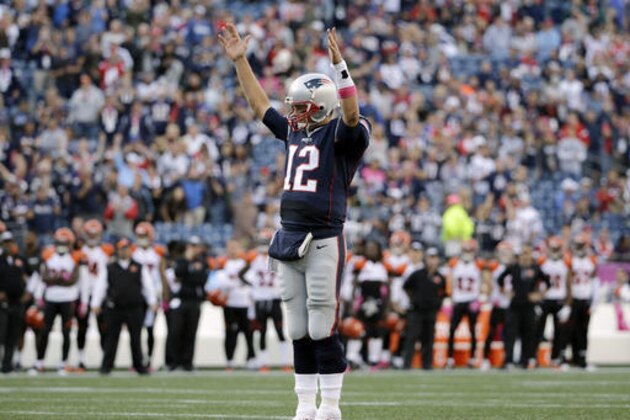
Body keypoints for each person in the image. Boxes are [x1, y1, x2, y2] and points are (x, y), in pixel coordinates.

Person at [219, 23, 369, 420]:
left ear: (321, 105)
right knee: (298, 328)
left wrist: (341, 69)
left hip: (324, 237)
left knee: (322, 324)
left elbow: (352, 114)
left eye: (301, 106)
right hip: (289, 236)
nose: (294, 113)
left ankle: (331, 406)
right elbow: (259, 107)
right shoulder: (293, 132)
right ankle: (304, 406)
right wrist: (240, 63)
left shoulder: (342, 134)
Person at [91, 238, 157, 375]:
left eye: (126, 248)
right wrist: (96, 303)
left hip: (134, 307)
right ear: (118, 250)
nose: (124, 251)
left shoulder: (139, 266)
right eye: (122, 248)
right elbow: (101, 286)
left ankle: (139, 365)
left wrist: (152, 301)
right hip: (114, 307)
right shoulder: (110, 267)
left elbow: (147, 285)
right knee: (111, 338)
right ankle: (106, 366)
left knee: (136, 338)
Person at [32, 228, 82, 375]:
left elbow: (73, 280)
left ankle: (63, 363)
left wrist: (54, 280)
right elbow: (44, 277)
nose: (61, 245)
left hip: (68, 299)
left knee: (66, 333)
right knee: (45, 331)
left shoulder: (75, 258)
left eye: (64, 242)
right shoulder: (49, 256)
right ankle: (39, 362)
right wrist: (60, 279)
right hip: (51, 299)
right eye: (59, 242)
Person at [244, 231, 290, 371]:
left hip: (271, 298)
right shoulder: (262, 258)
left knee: (278, 331)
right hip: (264, 299)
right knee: (263, 331)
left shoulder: (266, 258)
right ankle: (265, 362)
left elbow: (242, 275)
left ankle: (283, 362)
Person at [497, 244, 550, 369]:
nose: (525, 256)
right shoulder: (514, 267)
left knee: (529, 334)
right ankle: (508, 360)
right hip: (515, 305)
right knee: (511, 334)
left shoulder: (536, 268)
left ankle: (526, 359)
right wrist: (505, 292)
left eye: (527, 253)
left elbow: (548, 282)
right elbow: (500, 279)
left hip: (529, 306)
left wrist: (539, 295)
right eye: (523, 253)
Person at [166, 236, 208, 371]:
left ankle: (187, 362)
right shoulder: (180, 260)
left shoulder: (202, 261)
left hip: (195, 301)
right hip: (180, 300)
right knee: (175, 332)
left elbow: (201, 279)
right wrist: (188, 262)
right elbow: (179, 273)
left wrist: (189, 276)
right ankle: (172, 362)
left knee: (191, 333)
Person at [213, 240, 256, 370]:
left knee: (248, 333)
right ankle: (229, 359)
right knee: (230, 333)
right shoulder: (223, 263)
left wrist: (233, 283)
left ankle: (250, 358)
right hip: (230, 304)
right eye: (230, 248)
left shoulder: (245, 264)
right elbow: (221, 282)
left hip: (245, 303)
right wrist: (237, 283)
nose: (233, 250)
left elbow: (251, 281)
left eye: (235, 248)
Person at [402, 247, 446, 370]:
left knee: (428, 338)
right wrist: (414, 299)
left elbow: (443, 293)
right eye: (430, 258)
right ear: (426, 259)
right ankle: (407, 364)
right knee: (412, 337)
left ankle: (427, 364)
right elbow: (406, 287)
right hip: (416, 311)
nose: (432, 261)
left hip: (431, 311)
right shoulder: (417, 274)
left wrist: (438, 304)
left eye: (435, 258)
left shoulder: (440, 277)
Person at [77, 219, 112, 370]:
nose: (92, 237)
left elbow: (106, 276)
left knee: (103, 327)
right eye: (90, 234)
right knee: (82, 327)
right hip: (82, 294)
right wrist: (83, 300)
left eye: (95, 234)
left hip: (101, 294)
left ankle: (106, 359)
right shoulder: (78, 252)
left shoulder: (106, 251)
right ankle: (81, 359)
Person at [131, 222, 167, 369]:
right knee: (136, 330)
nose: (142, 239)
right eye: (139, 236)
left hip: (153, 294)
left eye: (144, 236)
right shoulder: (132, 252)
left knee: (151, 328)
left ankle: (150, 359)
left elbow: (162, 274)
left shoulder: (157, 252)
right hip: (137, 295)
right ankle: (137, 360)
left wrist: (164, 297)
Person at [446, 239, 484, 369]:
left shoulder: (478, 264)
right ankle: (450, 358)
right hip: (458, 300)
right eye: (466, 250)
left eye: (470, 250)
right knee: (452, 330)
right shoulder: (454, 263)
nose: (467, 253)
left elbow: (485, 281)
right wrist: (450, 298)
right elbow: (449, 281)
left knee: (473, 331)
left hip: (472, 301)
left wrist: (480, 298)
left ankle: (473, 358)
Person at [536, 236, 572, 367]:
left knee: (559, 332)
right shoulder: (541, 261)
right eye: (553, 248)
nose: (555, 251)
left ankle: (556, 358)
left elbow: (569, 284)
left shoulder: (566, 262)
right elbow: (536, 282)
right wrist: (536, 301)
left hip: (559, 300)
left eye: (557, 248)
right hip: (544, 300)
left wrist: (568, 304)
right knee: (538, 331)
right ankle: (534, 357)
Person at [0, 231, 28, 373]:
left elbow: (33, 275)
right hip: (2, 304)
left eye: (10, 243)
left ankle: (7, 366)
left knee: (13, 335)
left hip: (17, 302)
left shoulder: (20, 259)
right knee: (1, 334)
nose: (8, 246)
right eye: (6, 243)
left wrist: (29, 293)